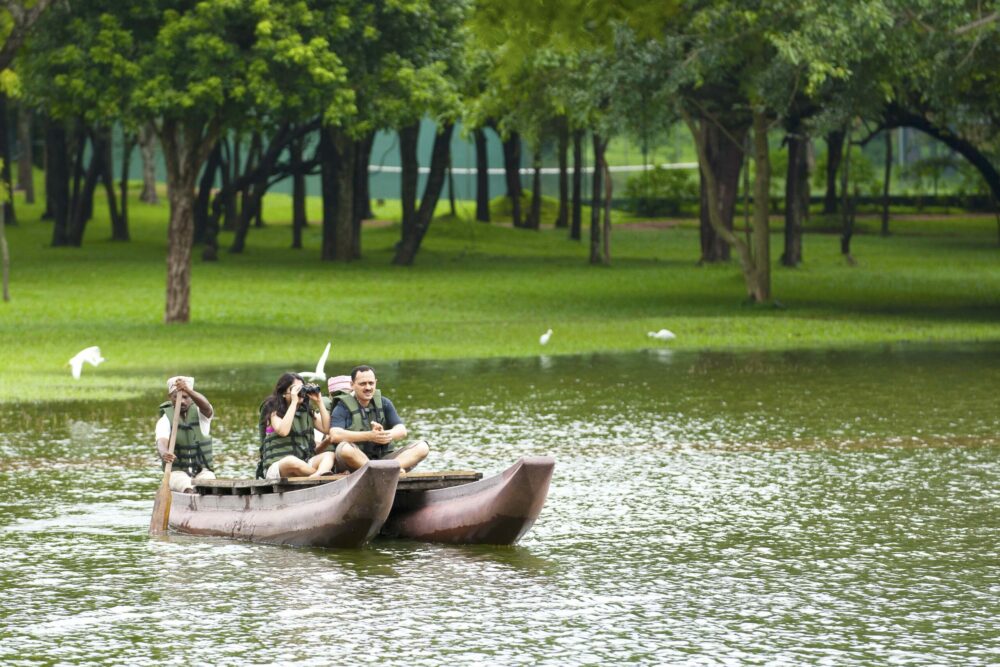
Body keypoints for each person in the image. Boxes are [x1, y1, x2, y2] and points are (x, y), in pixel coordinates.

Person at [323, 365, 429, 473]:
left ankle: (391, 469)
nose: (368, 387)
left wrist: (383, 435)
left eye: (371, 383)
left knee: (423, 447)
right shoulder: (342, 406)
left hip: (383, 459)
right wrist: (370, 436)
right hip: (354, 463)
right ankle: (383, 471)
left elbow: (401, 430)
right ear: (352, 385)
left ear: (376, 382)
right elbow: (335, 435)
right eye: (362, 384)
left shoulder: (384, 403)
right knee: (344, 449)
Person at [257, 372, 334, 479]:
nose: (299, 392)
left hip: (303, 463)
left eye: (301, 389)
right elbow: (283, 431)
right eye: (294, 389)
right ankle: (320, 474)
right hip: (278, 466)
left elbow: (327, 429)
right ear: (284, 393)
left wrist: (319, 401)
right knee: (291, 461)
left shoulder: (306, 412)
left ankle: (318, 474)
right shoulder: (273, 411)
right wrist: (293, 403)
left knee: (329, 455)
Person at [156, 376, 215, 494]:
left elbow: (206, 406)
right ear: (170, 397)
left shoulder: (201, 414)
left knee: (210, 485)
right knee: (188, 487)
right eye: (176, 397)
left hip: (201, 471)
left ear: (191, 397)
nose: (181, 401)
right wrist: (164, 453)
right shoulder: (165, 420)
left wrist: (188, 390)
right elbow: (161, 441)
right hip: (177, 473)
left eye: (185, 397)